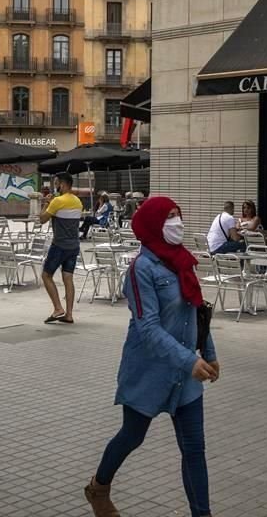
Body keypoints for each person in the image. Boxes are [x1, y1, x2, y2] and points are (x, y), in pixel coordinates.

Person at [86, 196, 218, 517]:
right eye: (169, 216)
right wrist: (190, 361)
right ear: (154, 224)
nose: (177, 222)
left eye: (178, 215)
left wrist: (208, 353)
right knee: (132, 436)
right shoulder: (140, 270)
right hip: (149, 371)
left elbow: (196, 309)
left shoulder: (182, 261)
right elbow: (148, 328)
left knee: (194, 450)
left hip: (185, 375)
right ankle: (98, 487)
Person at [40, 173, 82, 323]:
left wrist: (46, 203)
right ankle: (69, 314)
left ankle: (58, 308)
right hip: (74, 246)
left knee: (46, 275)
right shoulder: (78, 201)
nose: (55, 186)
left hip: (59, 245)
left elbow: (42, 219)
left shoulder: (57, 201)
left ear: (63, 185)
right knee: (68, 279)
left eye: (56, 183)